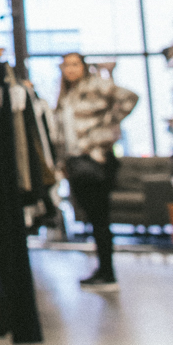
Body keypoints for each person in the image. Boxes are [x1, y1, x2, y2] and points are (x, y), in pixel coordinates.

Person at [54, 52, 138, 291]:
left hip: (96, 159)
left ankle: (107, 273)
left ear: (83, 66)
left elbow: (130, 98)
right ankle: (102, 270)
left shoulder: (96, 85)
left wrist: (107, 126)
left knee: (100, 219)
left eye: (75, 64)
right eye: (66, 65)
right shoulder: (66, 94)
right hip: (76, 162)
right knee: (93, 217)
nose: (70, 69)